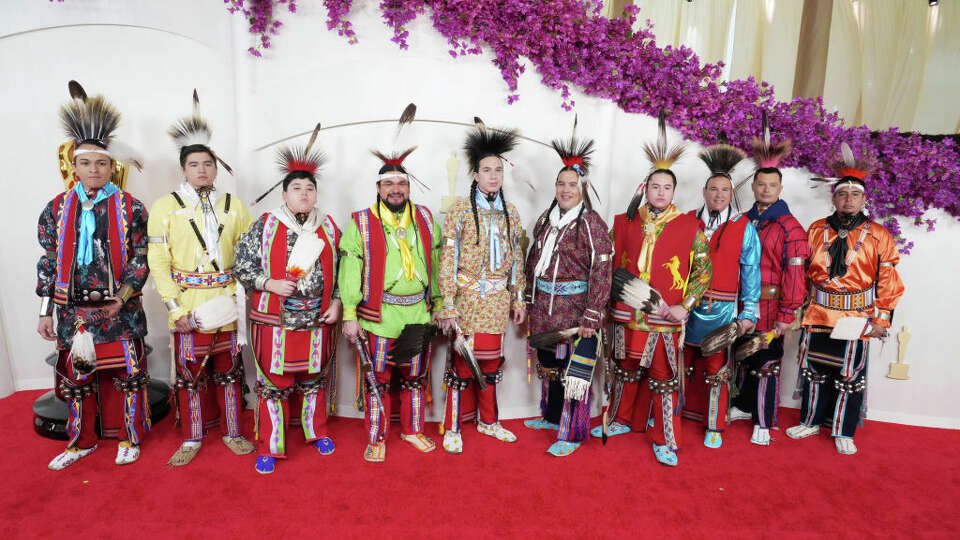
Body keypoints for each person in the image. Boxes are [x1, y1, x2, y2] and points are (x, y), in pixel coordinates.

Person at [39, 82, 151, 470]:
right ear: (74, 166)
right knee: (78, 380)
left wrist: (122, 296)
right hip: (73, 313)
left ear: (111, 167)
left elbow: (141, 257)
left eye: (101, 163)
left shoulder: (130, 207)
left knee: (128, 378)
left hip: (121, 311)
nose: (94, 170)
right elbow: (49, 262)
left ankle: (129, 437)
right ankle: (81, 441)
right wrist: (44, 312)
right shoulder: (56, 209)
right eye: (86, 163)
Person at [592, 111, 712, 466]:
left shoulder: (690, 227)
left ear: (674, 191)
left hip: (664, 315)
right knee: (625, 368)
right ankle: (622, 418)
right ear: (645, 188)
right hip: (626, 313)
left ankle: (664, 438)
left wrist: (685, 306)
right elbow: (609, 265)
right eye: (655, 187)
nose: (661, 193)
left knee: (663, 378)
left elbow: (703, 273)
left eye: (667, 188)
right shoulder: (624, 221)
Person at [148, 93, 254, 466]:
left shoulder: (234, 207)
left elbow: (248, 255)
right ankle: (192, 437)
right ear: (183, 169)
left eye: (208, 164)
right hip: (188, 301)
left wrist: (240, 300)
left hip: (226, 299)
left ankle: (233, 432)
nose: (202, 170)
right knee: (191, 376)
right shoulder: (165, 208)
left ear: (216, 167)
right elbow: (158, 262)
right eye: (194, 165)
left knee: (228, 372)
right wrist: (174, 307)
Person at [786, 143, 904, 455]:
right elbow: (802, 275)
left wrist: (881, 320)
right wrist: (797, 308)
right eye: (842, 194)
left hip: (857, 317)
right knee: (813, 371)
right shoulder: (815, 230)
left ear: (865, 199)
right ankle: (810, 421)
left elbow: (889, 281)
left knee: (850, 375)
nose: (848, 200)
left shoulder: (879, 235)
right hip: (818, 312)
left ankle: (843, 429)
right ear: (833, 197)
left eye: (855, 195)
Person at [235, 135, 341, 473]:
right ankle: (271, 445)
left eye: (309, 189)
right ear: (284, 194)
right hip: (275, 321)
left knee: (313, 379)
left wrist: (337, 301)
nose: (304, 194)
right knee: (274, 383)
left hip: (317, 319)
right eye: (297, 188)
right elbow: (242, 266)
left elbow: (343, 269)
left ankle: (316, 431)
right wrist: (270, 283)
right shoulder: (265, 226)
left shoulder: (329, 228)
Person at [338, 147, 443, 463]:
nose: (396, 189)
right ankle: (376, 436)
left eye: (402, 183)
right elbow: (350, 271)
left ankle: (412, 430)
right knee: (377, 380)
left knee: (414, 378)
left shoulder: (424, 218)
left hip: (417, 314)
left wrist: (438, 303)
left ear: (409, 187)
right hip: (378, 316)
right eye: (389, 184)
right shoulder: (362, 222)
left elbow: (435, 263)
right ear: (378, 188)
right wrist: (349, 313)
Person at [438, 124, 526, 453]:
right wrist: (447, 301)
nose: (493, 176)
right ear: (475, 175)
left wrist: (517, 296)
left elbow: (516, 256)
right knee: (463, 363)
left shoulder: (511, 214)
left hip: (497, 301)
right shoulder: (460, 211)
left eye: (498, 170)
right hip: (467, 300)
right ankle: (452, 427)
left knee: (490, 364)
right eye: (486, 170)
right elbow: (449, 257)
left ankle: (489, 421)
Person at [523, 134, 612, 457]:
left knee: (575, 375)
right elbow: (534, 260)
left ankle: (571, 434)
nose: (565, 189)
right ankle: (551, 416)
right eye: (561, 183)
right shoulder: (547, 221)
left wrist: (593, 314)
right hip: (546, 310)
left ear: (582, 188)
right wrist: (529, 301)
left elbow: (602, 271)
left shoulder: (591, 224)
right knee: (550, 367)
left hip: (576, 314)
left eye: (572, 184)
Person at [728, 117, 809, 446]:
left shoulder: (791, 227)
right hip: (740, 304)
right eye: (760, 184)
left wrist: (788, 313)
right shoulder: (741, 222)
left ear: (779, 189)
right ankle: (745, 407)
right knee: (743, 357)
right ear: (753, 186)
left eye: (771, 185)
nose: (765, 189)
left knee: (766, 362)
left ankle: (764, 419)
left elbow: (796, 274)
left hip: (773, 304)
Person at [682, 144, 761, 449]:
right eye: (713, 189)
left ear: (732, 194)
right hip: (687, 308)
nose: (718, 195)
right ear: (704, 192)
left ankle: (714, 424)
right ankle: (674, 414)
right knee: (680, 363)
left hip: (723, 310)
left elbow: (751, 273)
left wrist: (748, 313)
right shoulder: (687, 221)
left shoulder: (744, 228)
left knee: (717, 369)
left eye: (724, 190)